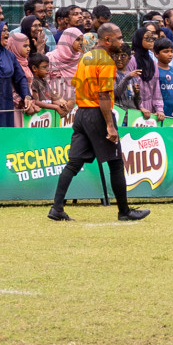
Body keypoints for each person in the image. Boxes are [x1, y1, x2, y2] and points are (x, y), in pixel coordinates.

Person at [47, 23, 149, 223]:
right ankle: (124, 211)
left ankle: (57, 208)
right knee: (116, 163)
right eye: (119, 38)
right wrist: (110, 125)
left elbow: (77, 85)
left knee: (74, 163)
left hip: (82, 114)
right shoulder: (106, 62)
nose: (122, 41)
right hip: (97, 114)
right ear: (108, 40)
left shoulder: (86, 57)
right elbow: (104, 95)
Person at [155, 39, 173, 119]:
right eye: (166, 51)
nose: (170, 54)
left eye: (171, 51)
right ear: (156, 54)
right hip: (158, 114)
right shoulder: (154, 71)